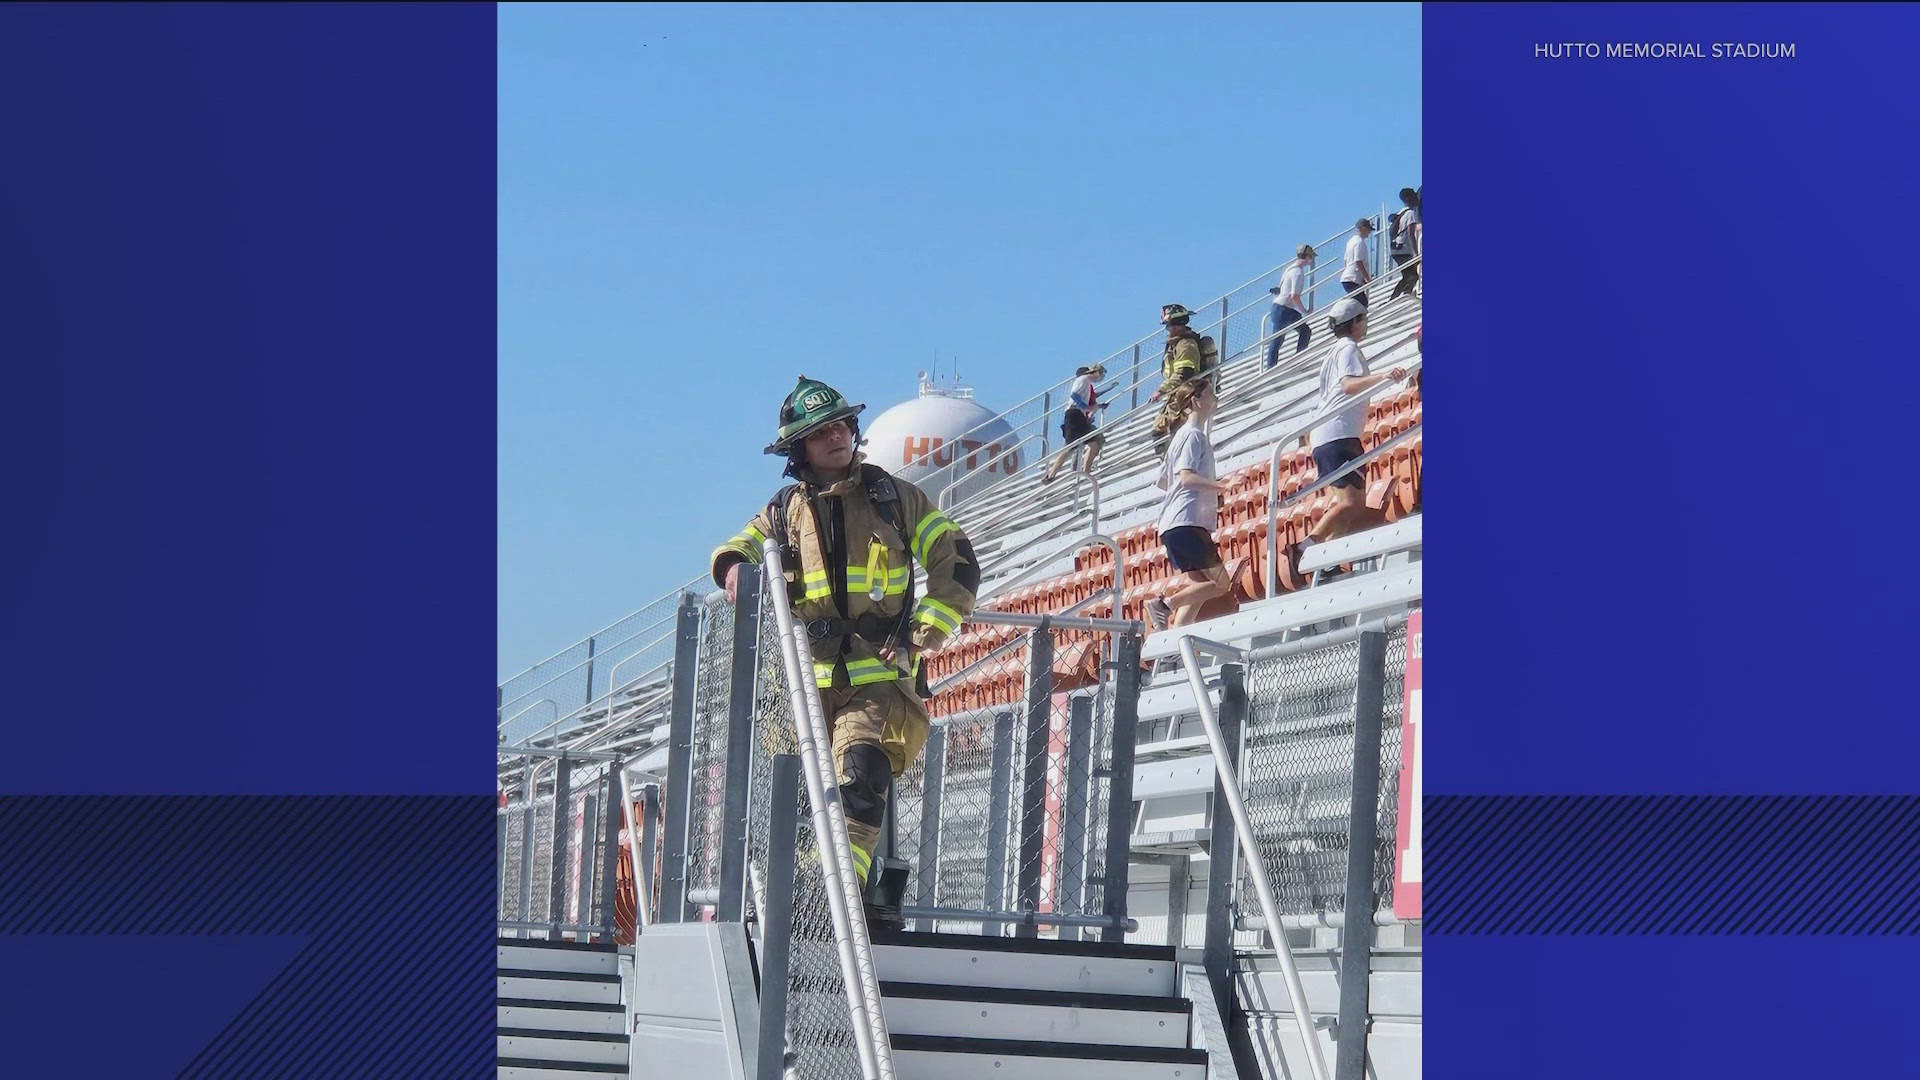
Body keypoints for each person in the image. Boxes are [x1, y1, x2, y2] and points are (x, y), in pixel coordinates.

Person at [710, 376, 980, 930]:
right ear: (798, 449)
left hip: (877, 676)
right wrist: (735, 569)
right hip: (799, 683)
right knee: (801, 798)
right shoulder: (784, 510)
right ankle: (804, 896)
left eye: (840, 426)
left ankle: (840, 900)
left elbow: (956, 558)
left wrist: (926, 629)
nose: (835, 437)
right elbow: (736, 549)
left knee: (861, 776)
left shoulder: (897, 498)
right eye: (820, 432)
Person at [1306, 298, 1406, 546]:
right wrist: (1383, 376)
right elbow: (1348, 384)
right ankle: (1307, 544)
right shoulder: (1348, 348)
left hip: (1332, 434)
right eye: (1363, 319)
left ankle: (1329, 559)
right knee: (1350, 503)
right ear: (1354, 324)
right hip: (1338, 434)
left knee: (1353, 506)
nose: (1366, 324)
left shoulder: (1336, 350)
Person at [1146, 376, 1230, 632]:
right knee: (1221, 584)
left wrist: (1209, 494)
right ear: (1195, 401)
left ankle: (1174, 645)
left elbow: (1164, 482)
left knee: (1198, 591)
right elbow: (1186, 477)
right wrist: (1219, 486)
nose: (1214, 399)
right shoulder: (1194, 436)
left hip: (1175, 523)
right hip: (1187, 522)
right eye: (1210, 394)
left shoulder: (1180, 438)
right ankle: (1164, 604)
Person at [1148, 303, 1213, 454]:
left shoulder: (1185, 344)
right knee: (1160, 431)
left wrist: (1160, 390)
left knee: (1166, 430)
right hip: (1176, 393)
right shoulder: (1177, 344)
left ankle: (1174, 461)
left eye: (1169, 325)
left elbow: (1184, 373)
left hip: (1184, 393)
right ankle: (1170, 461)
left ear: (1176, 324)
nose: (1168, 329)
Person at [1043, 363, 1108, 482]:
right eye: (1101, 373)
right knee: (1070, 447)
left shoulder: (1088, 384)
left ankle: (1086, 471)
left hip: (1079, 416)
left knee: (1095, 443)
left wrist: (1098, 406)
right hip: (1074, 415)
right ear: (1095, 372)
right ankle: (1050, 475)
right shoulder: (1083, 379)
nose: (1101, 377)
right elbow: (1074, 395)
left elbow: (1088, 401)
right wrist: (1085, 407)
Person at [1264, 244, 1316, 369]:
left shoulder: (1290, 268)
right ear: (1307, 257)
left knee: (1302, 331)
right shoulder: (1298, 273)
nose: (1312, 260)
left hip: (1282, 307)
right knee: (1278, 339)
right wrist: (1305, 310)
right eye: (1311, 257)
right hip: (1284, 309)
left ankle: (1297, 359)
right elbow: (1294, 296)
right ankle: (1271, 367)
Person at [1388, 188, 1422, 300]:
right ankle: (1404, 295)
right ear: (1409, 198)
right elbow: (1410, 234)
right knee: (1412, 276)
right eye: (1414, 196)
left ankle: (1394, 298)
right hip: (1403, 249)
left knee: (1408, 275)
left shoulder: (1401, 213)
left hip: (1396, 249)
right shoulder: (1410, 213)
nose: (1417, 198)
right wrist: (1415, 254)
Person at [1340, 216, 1374, 307]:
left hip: (1348, 277)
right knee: (1362, 304)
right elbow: (1358, 262)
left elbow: (1346, 261)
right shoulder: (1359, 242)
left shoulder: (1350, 242)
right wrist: (1367, 278)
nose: (1369, 233)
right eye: (1368, 230)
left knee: (1359, 304)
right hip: (1353, 278)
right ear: (1363, 229)